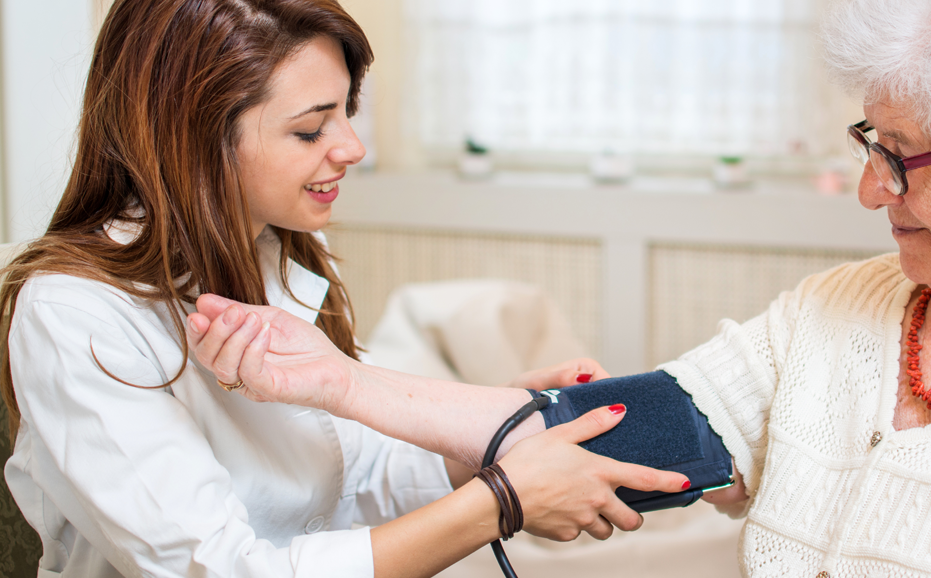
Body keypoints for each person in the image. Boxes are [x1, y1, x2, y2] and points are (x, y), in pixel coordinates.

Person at [190, 0, 931, 576]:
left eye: (904, 158)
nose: (872, 188)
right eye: (870, 143)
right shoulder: (843, 308)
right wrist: (331, 380)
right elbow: (616, 429)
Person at [0, 1, 690, 577]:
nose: (352, 147)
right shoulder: (74, 312)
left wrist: (490, 437)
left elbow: (349, 477)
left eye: (346, 113)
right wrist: (500, 501)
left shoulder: (281, 249)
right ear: (194, 138)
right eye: (310, 128)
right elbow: (220, 567)